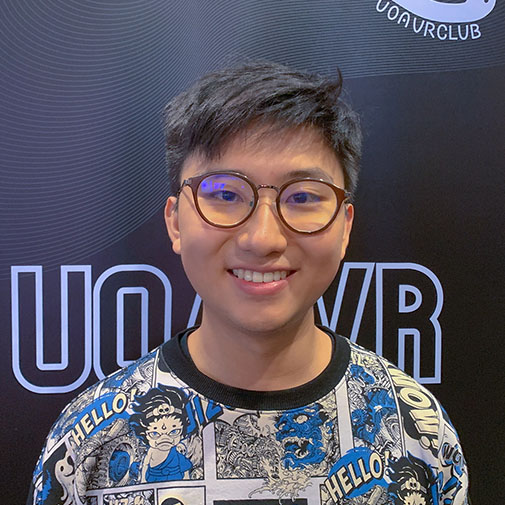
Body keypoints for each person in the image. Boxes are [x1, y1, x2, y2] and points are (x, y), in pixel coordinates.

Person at [27, 61, 469, 505]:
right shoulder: (89, 443)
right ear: (175, 222)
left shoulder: (417, 434)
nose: (263, 239)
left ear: (345, 227)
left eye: (302, 197)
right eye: (224, 194)